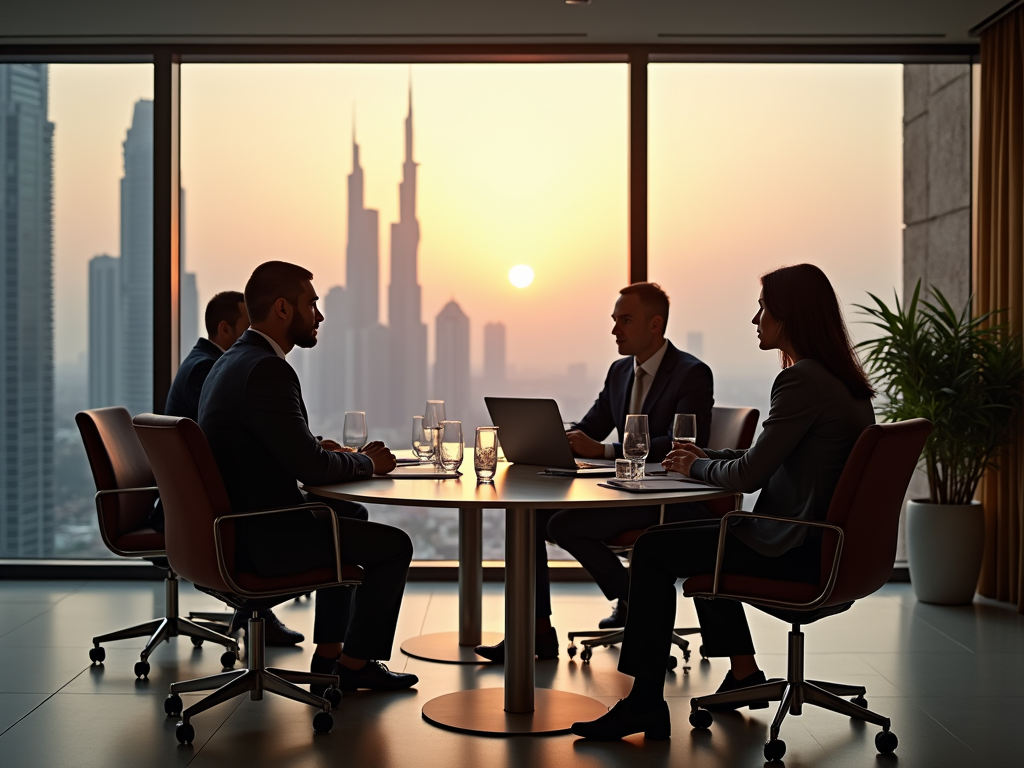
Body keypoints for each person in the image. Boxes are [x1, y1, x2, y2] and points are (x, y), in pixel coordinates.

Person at [570, 264, 875, 741]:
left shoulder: (801, 381)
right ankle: (741, 674)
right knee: (677, 543)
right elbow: (769, 456)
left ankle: (645, 704)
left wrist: (693, 466)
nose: (756, 320)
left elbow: (751, 475)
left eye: (762, 309)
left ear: (788, 316)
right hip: (828, 547)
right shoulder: (841, 382)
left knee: (653, 549)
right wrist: (706, 456)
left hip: (793, 548)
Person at [199, 260, 417, 694]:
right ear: (282, 308)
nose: (319, 316)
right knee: (395, 547)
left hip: (234, 527)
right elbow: (311, 469)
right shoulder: (268, 369)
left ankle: (331, 653)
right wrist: (367, 463)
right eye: (311, 304)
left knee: (349, 511)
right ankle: (355, 666)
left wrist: (318, 448)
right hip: (263, 539)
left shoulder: (231, 361)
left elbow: (269, 443)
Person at [475, 282, 714, 663]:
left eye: (625, 320)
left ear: (655, 324)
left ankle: (637, 600)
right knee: (529, 519)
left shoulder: (691, 373)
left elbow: (680, 444)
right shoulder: (620, 372)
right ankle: (536, 633)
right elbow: (594, 425)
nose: (615, 329)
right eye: (614, 320)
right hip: (624, 492)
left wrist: (605, 450)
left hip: (665, 499)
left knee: (563, 525)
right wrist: (560, 437)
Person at [162, 290, 305, 646]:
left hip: (196, 508)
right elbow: (235, 444)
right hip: (209, 516)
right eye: (246, 328)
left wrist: (303, 442)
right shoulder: (206, 370)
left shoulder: (209, 363)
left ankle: (256, 614)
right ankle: (260, 614)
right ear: (226, 330)